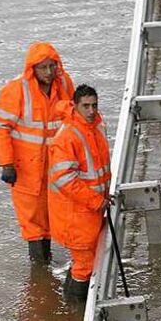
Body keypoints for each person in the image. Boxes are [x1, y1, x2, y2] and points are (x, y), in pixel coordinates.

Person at [0, 42, 75, 262]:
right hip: (26, 169)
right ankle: (40, 264)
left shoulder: (64, 83)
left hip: (58, 166)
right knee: (33, 223)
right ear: (33, 69)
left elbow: (74, 121)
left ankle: (42, 283)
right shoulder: (16, 89)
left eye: (52, 66)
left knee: (58, 215)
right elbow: (0, 128)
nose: (49, 72)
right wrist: (6, 164)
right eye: (43, 68)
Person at [48, 84, 112, 299]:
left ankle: (71, 311)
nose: (92, 110)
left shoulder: (93, 128)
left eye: (94, 105)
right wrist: (96, 200)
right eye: (86, 106)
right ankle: (77, 309)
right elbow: (65, 179)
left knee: (84, 262)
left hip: (88, 209)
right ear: (75, 106)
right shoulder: (68, 136)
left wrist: (102, 196)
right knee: (85, 264)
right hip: (76, 214)